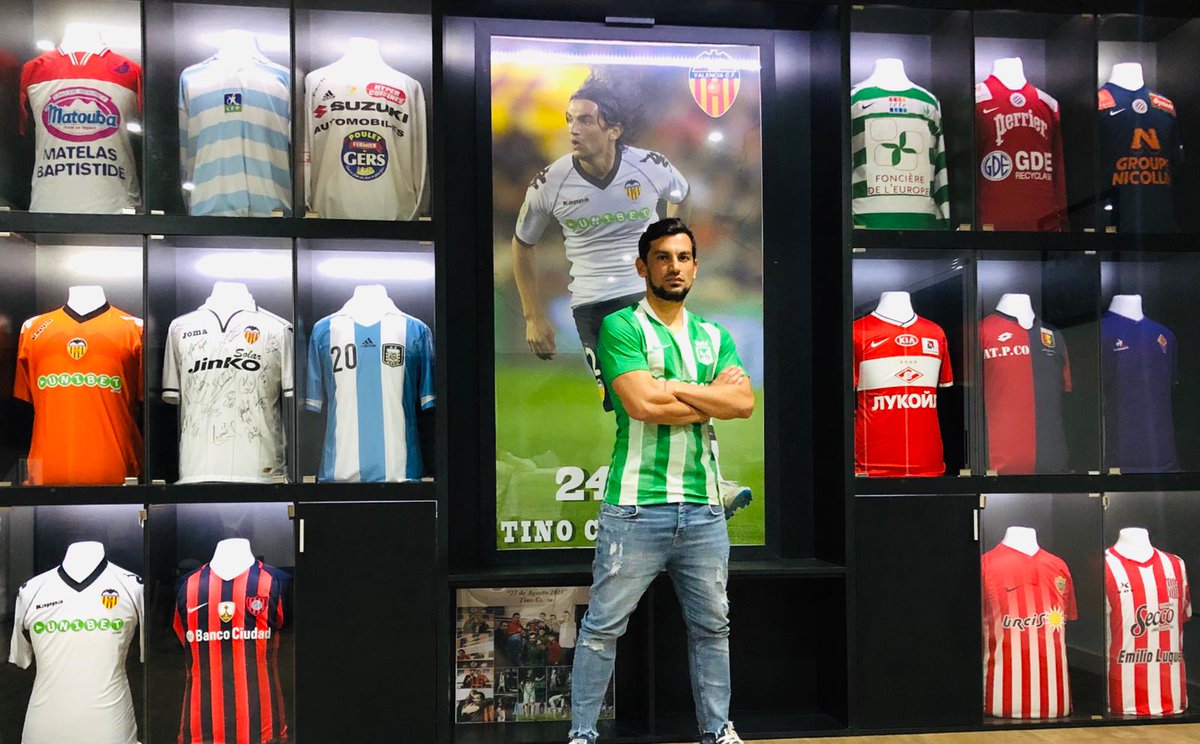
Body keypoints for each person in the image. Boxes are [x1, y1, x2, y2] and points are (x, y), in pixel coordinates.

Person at [510, 74, 750, 517]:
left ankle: (703, 484)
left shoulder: (650, 166)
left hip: (648, 297)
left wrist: (671, 242)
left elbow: (682, 195)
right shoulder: (551, 181)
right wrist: (532, 315)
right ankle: (682, 484)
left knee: (669, 386)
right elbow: (522, 243)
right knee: (634, 403)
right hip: (594, 308)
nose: (574, 129)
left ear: (614, 129)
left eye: (585, 119)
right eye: (570, 119)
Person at [567, 219, 753, 744]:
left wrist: (671, 386)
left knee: (713, 628)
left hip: (704, 509)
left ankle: (717, 732)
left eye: (684, 257)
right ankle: (582, 735)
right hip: (635, 508)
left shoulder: (714, 335)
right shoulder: (621, 326)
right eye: (663, 257)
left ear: (696, 266)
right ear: (642, 266)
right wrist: (707, 396)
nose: (675, 267)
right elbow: (642, 405)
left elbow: (743, 402)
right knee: (603, 627)